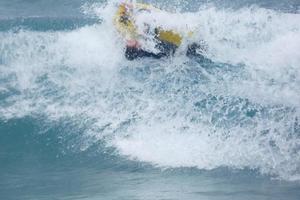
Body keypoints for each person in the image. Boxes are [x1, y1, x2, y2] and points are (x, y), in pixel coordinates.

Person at [114, 2, 206, 60]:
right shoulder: (129, 14)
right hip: (184, 37)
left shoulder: (124, 17)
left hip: (180, 40)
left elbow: (131, 44)